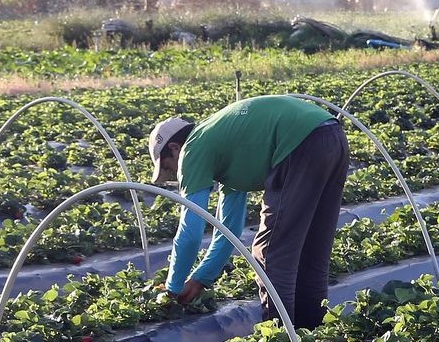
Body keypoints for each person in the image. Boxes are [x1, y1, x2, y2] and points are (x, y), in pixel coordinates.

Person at [148, 95, 349, 328]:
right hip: (331, 134)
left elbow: (191, 231)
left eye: (167, 166)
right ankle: (310, 333)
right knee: (312, 249)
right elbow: (229, 230)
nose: (173, 174)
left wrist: (172, 288)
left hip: (299, 142)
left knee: (270, 252)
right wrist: (201, 278)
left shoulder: (193, 149)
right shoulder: (223, 145)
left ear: (174, 148)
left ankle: (282, 340)